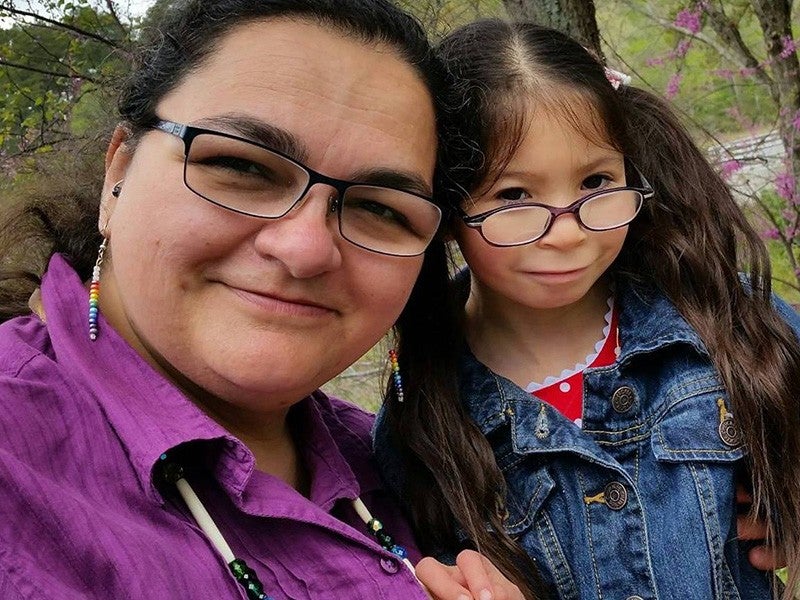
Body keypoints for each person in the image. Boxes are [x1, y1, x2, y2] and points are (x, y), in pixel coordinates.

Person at [0, 2, 526, 599]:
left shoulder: (399, 464)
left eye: (381, 208)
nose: (303, 249)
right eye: (240, 165)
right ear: (117, 176)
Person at [375, 19, 800, 600]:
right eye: (514, 196)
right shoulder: (422, 416)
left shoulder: (721, 312)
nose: (568, 232)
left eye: (596, 181)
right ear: (446, 208)